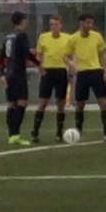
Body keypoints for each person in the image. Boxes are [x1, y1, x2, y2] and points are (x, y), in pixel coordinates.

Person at [65, 13, 106, 143]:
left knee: (103, 102)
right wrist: (72, 65)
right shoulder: (73, 38)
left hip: (96, 72)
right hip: (82, 73)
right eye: (87, 23)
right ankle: (78, 131)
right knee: (80, 104)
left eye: (91, 23)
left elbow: (102, 55)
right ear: (81, 23)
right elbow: (66, 56)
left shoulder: (97, 36)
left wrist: (105, 71)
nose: (90, 25)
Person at [0, 12, 41, 146]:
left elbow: (1, 57)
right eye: (25, 20)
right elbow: (26, 53)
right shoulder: (22, 36)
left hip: (9, 74)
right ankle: (16, 135)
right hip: (18, 75)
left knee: (12, 104)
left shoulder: (8, 37)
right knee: (22, 103)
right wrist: (39, 64)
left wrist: (2, 74)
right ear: (22, 21)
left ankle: (11, 136)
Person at [31, 15, 71, 143]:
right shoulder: (43, 37)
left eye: (56, 24)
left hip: (61, 71)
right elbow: (39, 55)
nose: (53, 27)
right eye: (51, 24)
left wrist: (71, 70)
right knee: (43, 102)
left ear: (61, 25)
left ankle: (59, 132)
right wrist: (40, 68)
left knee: (61, 103)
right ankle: (35, 131)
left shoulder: (67, 38)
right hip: (47, 72)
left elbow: (71, 56)